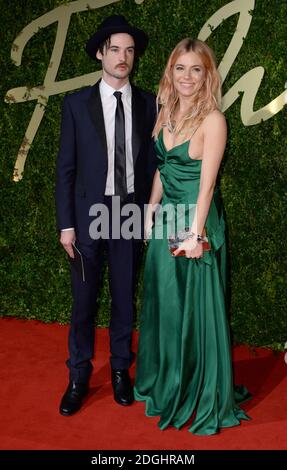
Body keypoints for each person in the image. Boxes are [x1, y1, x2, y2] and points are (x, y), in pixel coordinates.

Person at [134, 38, 251, 435]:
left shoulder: (213, 120)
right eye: (180, 68)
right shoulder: (165, 110)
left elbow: (207, 186)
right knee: (166, 306)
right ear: (171, 71)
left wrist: (194, 236)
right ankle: (167, 382)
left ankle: (198, 390)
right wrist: (150, 213)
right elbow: (162, 170)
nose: (186, 77)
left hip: (195, 224)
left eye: (195, 69)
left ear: (207, 75)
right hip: (166, 220)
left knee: (194, 312)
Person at [56, 15, 156, 416]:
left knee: (123, 301)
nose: (123, 57)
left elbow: (153, 165)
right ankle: (78, 376)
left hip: (128, 214)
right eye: (115, 49)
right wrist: (66, 224)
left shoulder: (150, 103)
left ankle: (119, 371)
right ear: (101, 53)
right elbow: (65, 167)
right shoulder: (76, 104)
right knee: (83, 302)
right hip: (86, 217)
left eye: (129, 50)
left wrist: (151, 214)